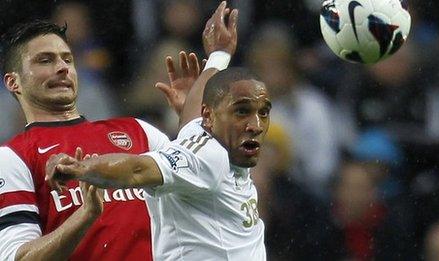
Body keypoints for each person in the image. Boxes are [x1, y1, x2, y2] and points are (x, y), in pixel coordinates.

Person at [0, 1, 237, 259]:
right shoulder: (14, 157)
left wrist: (193, 117)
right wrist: (86, 216)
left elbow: (203, 172)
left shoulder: (137, 130)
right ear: (14, 82)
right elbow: (18, 257)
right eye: (45, 60)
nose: (62, 67)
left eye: (67, 59)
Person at [46, 65, 269, 260]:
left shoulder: (210, 139)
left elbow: (192, 117)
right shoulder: (209, 158)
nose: (256, 125)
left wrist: (219, 54)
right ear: (209, 117)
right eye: (242, 111)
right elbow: (137, 170)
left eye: (264, 112)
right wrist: (78, 168)